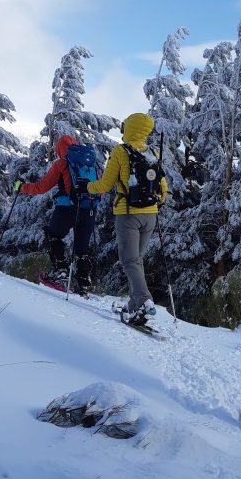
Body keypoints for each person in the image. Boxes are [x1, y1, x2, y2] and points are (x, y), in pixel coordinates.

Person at [86, 112, 167, 325]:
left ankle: (144, 301)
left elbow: (104, 185)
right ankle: (133, 305)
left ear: (128, 128)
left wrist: (87, 186)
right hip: (150, 215)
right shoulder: (153, 153)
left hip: (127, 214)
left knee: (129, 261)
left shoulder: (120, 151)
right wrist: (154, 204)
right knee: (136, 261)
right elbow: (163, 188)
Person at [14, 134, 98, 293]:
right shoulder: (89, 163)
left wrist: (21, 187)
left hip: (67, 208)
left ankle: (61, 271)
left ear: (59, 149)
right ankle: (84, 283)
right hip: (89, 208)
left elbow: (42, 187)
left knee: (53, 235)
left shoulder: (61, 164)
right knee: (82, 248)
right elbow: (101, 186)